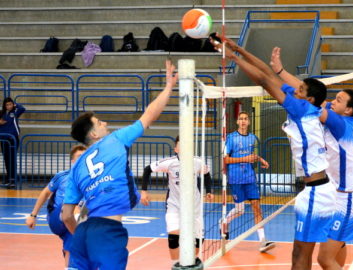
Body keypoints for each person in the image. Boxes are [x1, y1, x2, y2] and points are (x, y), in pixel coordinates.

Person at [210, 35, 336, 270]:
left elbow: (266, 81)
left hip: (317, 193)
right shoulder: (306, 104)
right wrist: (237, 48)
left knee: (304, 256)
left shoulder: (301, 108)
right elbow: (268, 74)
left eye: (300, 89)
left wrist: (233, 57)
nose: (294, 89)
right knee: (300, 253)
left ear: (308, 98)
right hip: (316, 189)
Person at [62, 60, 177, 270]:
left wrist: (80, 235)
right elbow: (149, 115)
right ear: (94, 134)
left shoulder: (77, 167)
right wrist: (169, 86)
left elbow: (67, 215)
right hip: (107, 231)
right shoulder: (114, 140)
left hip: (82, 232)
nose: (104, 123)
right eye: (99, 122)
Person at [271, 46, 353, 269]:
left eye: (338, 100)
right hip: (335, 193)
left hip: (349, 198)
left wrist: (278, 82)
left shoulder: (341, 124)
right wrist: (280, 71)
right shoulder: (336, 114)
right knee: (336, 249)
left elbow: (307, 101)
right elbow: (304, 91)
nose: (332, 102)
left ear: (348, 111)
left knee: (324, 258)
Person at [140, 136, 214, 265]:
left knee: (198, 241)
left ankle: (190, 261)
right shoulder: (170, 163)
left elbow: (206, 174)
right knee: (174, 235)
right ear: (176, 149)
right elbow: (147, 169)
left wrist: (209, 191)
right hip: (174, 205)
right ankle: (175, 264)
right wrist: (144, 191)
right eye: (181, 145)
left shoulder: (197, 162)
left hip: (194, 207)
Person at [25, 144, 86, 267]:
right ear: (72, 160)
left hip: (75, 220)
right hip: (57, 217)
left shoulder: (91, 180)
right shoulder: (62, 176)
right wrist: (33, 215)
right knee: (72, 210)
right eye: (79, 156)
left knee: (72, 245)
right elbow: (45, 193)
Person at [222, 111, 274, 252]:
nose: (243, 121)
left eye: (246, 119)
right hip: (236, 177)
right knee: (240, 210)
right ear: (237, 122)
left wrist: (259, 158)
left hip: (249, 177)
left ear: (249, 122)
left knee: (257, 207)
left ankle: (263, 241)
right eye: (241, 118)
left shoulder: (252, 138)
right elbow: (226, 159)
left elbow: (249, 155)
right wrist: (244, 159)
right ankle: (224, 222)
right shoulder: (231, 138)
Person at [0, 97, 26, 188]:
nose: (9, 106)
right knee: (6, 159)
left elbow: (23, 109)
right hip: (3, 140)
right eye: (7, 105)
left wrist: (16, 105)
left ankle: (13, 179)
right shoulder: (1, 114)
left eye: (10, 104)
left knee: (12, 159)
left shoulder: (15, 112)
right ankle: (8, 178)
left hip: (13, 139)